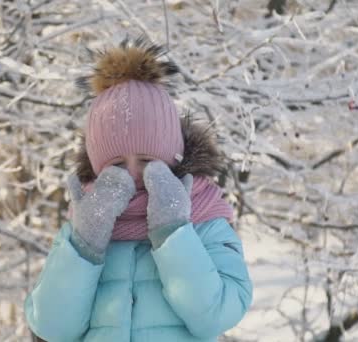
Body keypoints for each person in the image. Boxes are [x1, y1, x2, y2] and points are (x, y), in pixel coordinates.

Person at [24, 37, 253, 342]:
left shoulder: (206, 219)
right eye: (117, 164)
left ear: (172, 158)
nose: (132, 174)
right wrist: (85, 244)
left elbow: (219, 314)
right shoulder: (84, 221)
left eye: (147, 160)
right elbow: (52, 328)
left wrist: (173, 232)